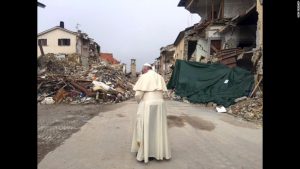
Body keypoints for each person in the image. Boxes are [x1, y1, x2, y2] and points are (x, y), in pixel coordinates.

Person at [131, 63, 171, 163]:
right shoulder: (160, 77)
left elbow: (138, 94)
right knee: (157, 128)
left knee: (144, 127)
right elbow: (163, 92)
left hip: (147, 104)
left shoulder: (144, 77)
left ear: (145, 69)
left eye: (143, 69)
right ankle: (157, 153)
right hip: (160, 105)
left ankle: (145, 153)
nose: (142, 71)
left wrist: (139, 101)